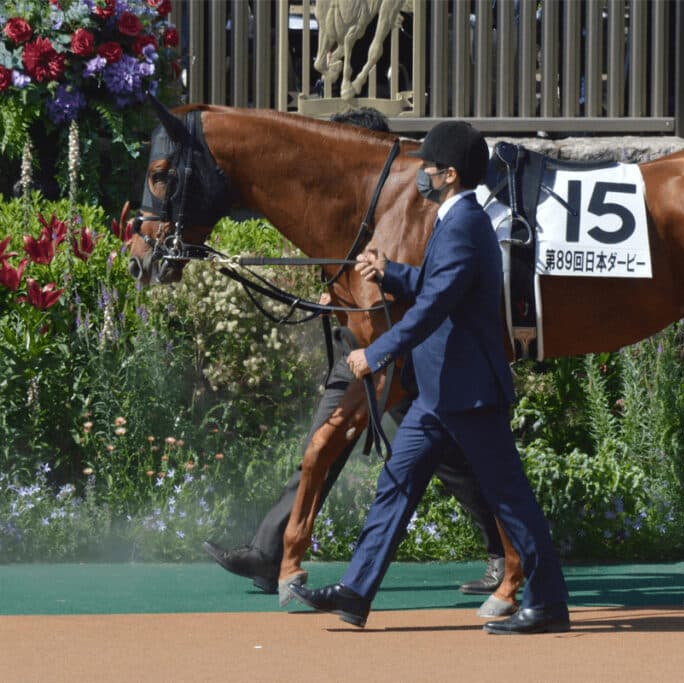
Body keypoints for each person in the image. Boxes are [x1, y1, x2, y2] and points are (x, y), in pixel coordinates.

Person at [202, 109, 506, 600]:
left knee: (443, 461)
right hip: (376, 351)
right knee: (329, 444)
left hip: (401, 359)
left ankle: (513, 556)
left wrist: (380, 345)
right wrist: (339, 292)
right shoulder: (351, 204)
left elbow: (431, 299)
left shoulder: (436, 215)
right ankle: (285, 555)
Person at [289, 120, 570, 635]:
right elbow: (435, 282)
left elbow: (437, 304)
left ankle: (549, 603)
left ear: (450, 174)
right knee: (395, 485)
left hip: (470, 392)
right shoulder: (456, 217)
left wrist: (378, 354)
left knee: (509, 497)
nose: (423, 174)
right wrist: (389, 272)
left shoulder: (462, 223)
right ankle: (356, 591)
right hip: (440, 393)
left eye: (430, 167)